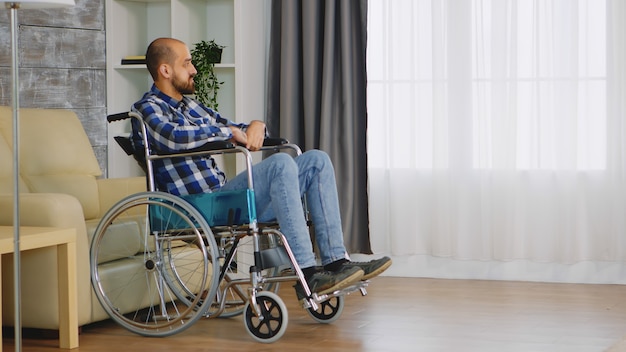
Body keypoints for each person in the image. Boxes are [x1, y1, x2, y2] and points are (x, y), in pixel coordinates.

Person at [131, 37, 391, 297]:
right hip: (196, 205)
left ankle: (337, 263)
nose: (194, 69)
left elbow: (240, 129)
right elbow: (173, 137)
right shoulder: (146, 109)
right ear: (165, 70)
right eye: (187, 63)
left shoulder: (192, 106)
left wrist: (257, 125)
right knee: (280, 163)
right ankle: (308, 274)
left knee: (316, 160)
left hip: (223, 196)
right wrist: (229, 131)